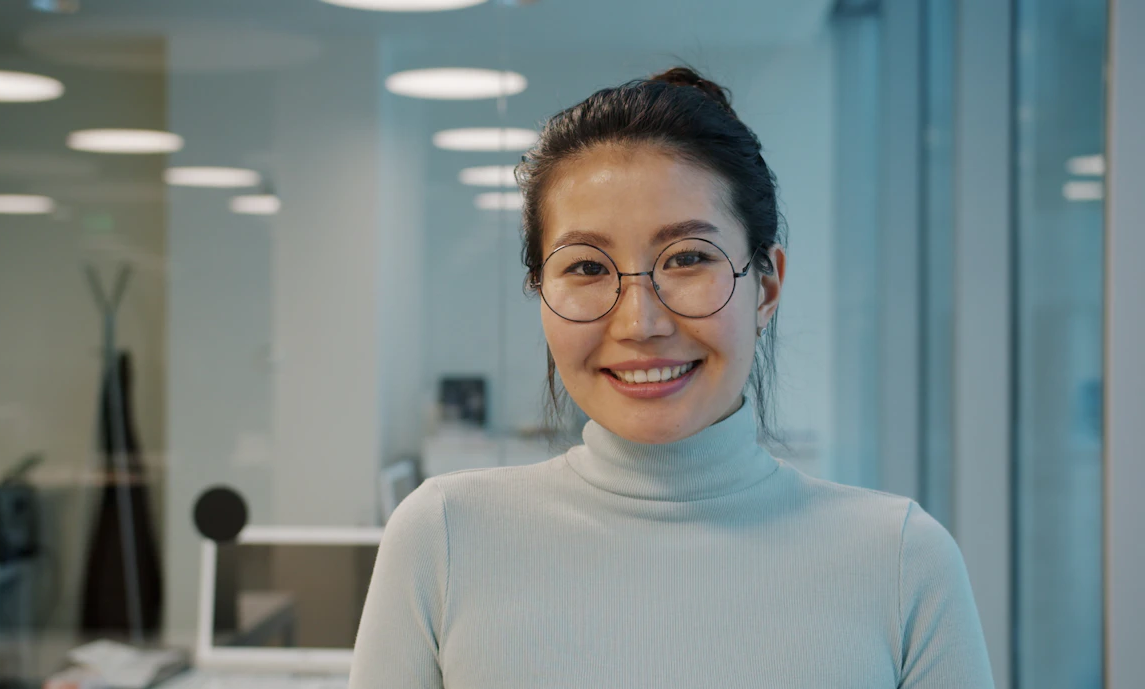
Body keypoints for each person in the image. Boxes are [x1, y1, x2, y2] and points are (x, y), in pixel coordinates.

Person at [349, 67, 994, 688]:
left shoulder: (901, 561)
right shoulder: (445, 537)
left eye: (687, 258)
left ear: (765, 286)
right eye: (586, 268)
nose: (640, 322)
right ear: (541, 293)